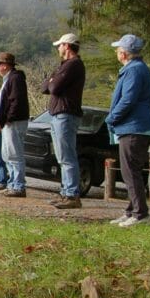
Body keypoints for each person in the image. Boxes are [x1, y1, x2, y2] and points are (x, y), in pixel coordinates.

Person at [105, 34, 150, 227]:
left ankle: (140, 214)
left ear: (124, 52)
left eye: (119, 49)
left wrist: (111, 118)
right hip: (137, 126)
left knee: (130, 171)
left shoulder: (134, 70)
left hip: (134, 127)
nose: (116, 52)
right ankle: (132, 211)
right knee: (131, 170)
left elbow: (128, 99)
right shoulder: (136, 69)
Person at [42, 33, 86, 209]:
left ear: (67, 46)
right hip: (59, 115)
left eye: (60, 45)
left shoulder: (73, 65)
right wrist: (52, 81)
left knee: (67, 157)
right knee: (62, 157)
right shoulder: (66, 66)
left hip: (65, 115)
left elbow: (53, 86)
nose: (58, 48)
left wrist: (53, 81)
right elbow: (46, 87)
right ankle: (66, 192)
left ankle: (72, 195)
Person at [0, 52, 29, 197]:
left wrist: (9, 118)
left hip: (14, 122)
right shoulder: (8, 79)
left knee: (15, 154)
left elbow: (16, 100)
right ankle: (12, 184)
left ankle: (19, 186)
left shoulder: (15, 78)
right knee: (7, 154)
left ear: (4, 66)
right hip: (9, 123)